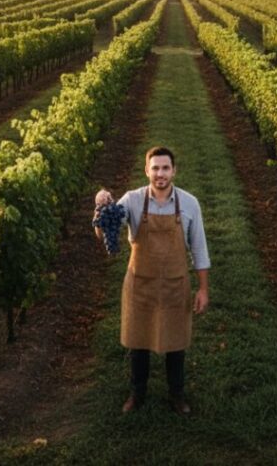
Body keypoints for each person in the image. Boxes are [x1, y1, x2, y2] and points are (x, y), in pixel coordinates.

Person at [94, 146, 210, 415]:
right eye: (155, 168)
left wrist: (203, 288)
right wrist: (101, 205)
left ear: (174, 171)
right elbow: (105, 230)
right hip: (140, 284)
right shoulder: (132, 200)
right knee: (138, 341)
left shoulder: (190, 204)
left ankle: (176, 394)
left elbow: (199, 248)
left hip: (175, 284)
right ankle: (137, 393)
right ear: (146, 170)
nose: (160, 174)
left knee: (176, 343)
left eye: (165, 168)